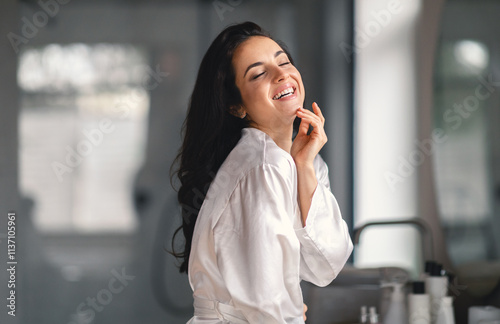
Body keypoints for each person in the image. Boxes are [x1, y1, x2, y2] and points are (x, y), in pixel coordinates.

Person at [171, 21, 353, 323]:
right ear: (235, 106)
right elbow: (268, 303)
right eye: (259, 73)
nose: (282, 74)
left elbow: (326, 264)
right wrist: (289, 314)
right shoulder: (262, 165)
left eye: (283, 62)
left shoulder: (296, 160)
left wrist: (304, 167)